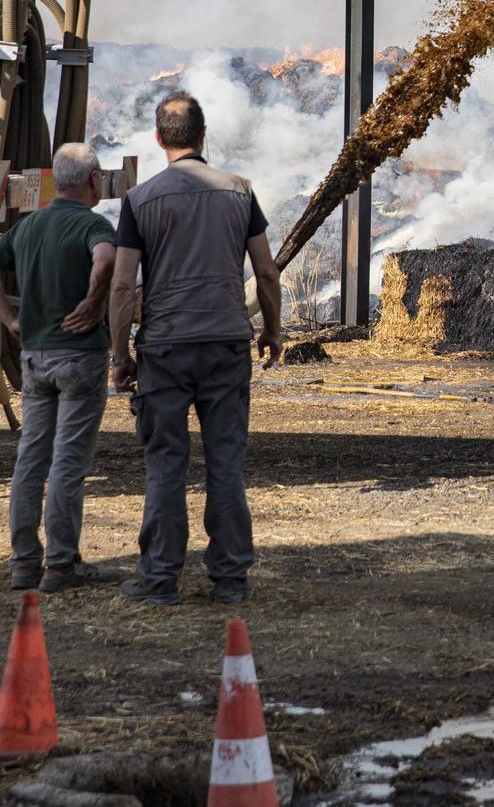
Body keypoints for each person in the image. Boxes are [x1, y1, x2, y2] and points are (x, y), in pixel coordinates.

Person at [108, 91, 282, 606]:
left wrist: (121, 357)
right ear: (204, 137)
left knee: (166, 463)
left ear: (158, 139)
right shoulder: (239, 192)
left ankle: (159, 579)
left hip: (165, 346)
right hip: (227, 341)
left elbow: (121, 286)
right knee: (226, 460)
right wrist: (273, 330)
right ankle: (229, 578)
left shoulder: (140, 200)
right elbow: (266, 271)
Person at [0, 142, 118, 593]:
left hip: (36, 359)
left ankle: (23, 563)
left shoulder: (29, 227)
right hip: (81, 358)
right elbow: (108, 259)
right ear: (93, 180)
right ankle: (61, 564)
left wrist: (11, 320)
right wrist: (94, 303)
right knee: (69, 462)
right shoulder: (93, 224)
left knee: (31, 459)